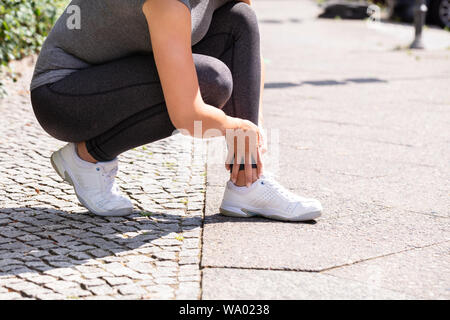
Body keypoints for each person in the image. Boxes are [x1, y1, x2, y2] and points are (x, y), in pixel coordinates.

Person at [30, 0, 322, 221]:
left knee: (239, 18)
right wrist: (233, 126)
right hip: (63, 95)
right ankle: (86, 157)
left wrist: (250, 132)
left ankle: (248, 184)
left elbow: (247, 51)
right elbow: (187, 116)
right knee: (211, 82)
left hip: (120, 71)